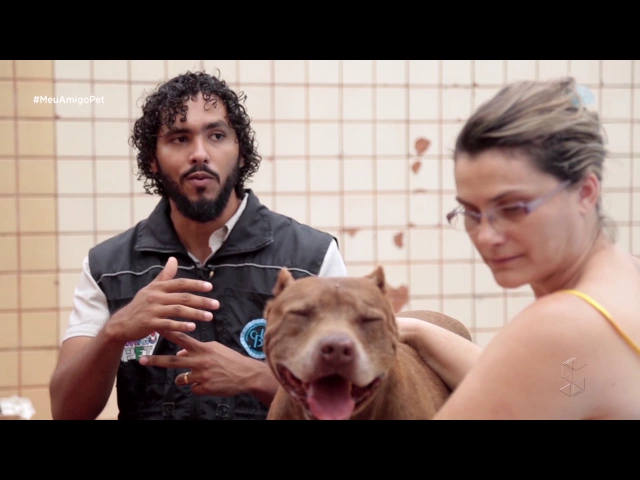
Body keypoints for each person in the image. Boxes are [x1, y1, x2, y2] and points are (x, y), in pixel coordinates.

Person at [49, 71, 347, 420]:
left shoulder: (310, 258)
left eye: (216, 135)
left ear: (241, 153)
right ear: (153, 160)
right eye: (179, 139)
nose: (199, 154)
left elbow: (353, 404)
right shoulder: (109, 267)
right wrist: (115, 332)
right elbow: (66, 411)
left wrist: (255, 378)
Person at [397, 77, 640, 420]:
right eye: (471, 212)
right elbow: (545, 386)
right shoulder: (627, 276)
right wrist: (417, 330)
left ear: (586, 192)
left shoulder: (558, 326)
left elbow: (533, 368)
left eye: (512, 208)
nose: (485, 236)